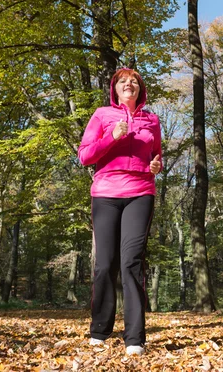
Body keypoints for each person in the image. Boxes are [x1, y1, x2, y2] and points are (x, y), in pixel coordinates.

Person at [78, 68, 162, 356]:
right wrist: (112, 136)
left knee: (131, 263)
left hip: (140, 193)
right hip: (106, 195)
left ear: (141, 89)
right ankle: (100, 330)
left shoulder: (151, 119)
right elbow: (85, 155)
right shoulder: (102, 115)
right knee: (105, 264)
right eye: (124, 81)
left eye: (135, 81)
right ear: (115, 89)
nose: (130, 84)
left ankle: (135, 338)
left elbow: (156, 154)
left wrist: (156, 165)